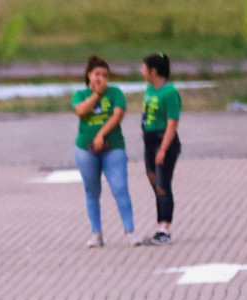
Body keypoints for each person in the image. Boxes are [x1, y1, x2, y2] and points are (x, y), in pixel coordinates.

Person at [71, 55, 140, 247]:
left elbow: (118, 115)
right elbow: (81, 111)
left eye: (104, 75)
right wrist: (96, 95)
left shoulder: (116, 93)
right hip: (86, 148)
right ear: (89, 76)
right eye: (96, 74)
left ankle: (130, 231)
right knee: (92, 190)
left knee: (119, 187)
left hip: (112, 146)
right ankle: (97, 233)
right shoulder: (80, 94)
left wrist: (101, 135)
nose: (100, 78)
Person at [138, 53, 182, 246]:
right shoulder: (149, 89)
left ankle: (165, 228)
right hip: (148, 140)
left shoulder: (169, 92)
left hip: (163, 140)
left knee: (163, 184)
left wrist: (163, 150)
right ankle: (159, 226)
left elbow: (172, 123)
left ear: (153, 71)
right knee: (154, 182)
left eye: (144, 68)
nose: (141, 71)